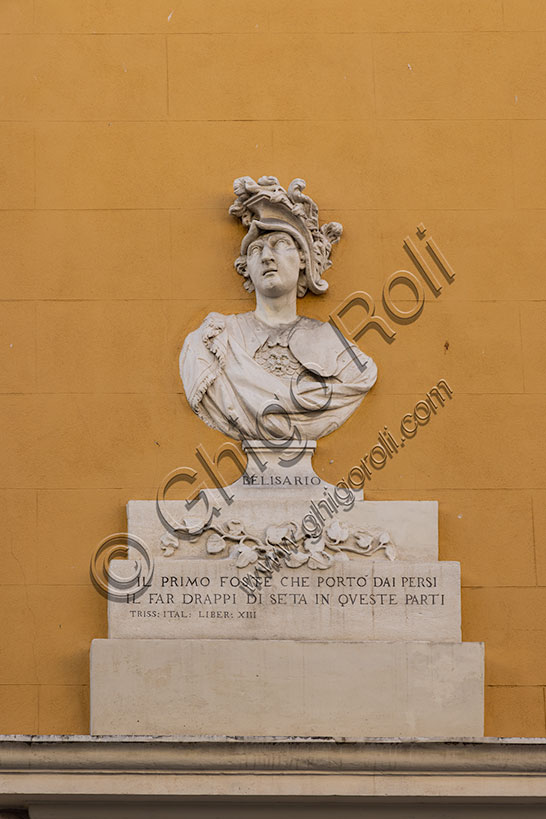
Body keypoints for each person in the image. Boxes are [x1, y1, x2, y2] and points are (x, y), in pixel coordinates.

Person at [180, 176, 377, 442]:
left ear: (303, 260)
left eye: (281, 245)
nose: (267, 257)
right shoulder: (214, 340)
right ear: (246, 269)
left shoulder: (335, 346)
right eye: (255, 250)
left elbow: (359, 379)